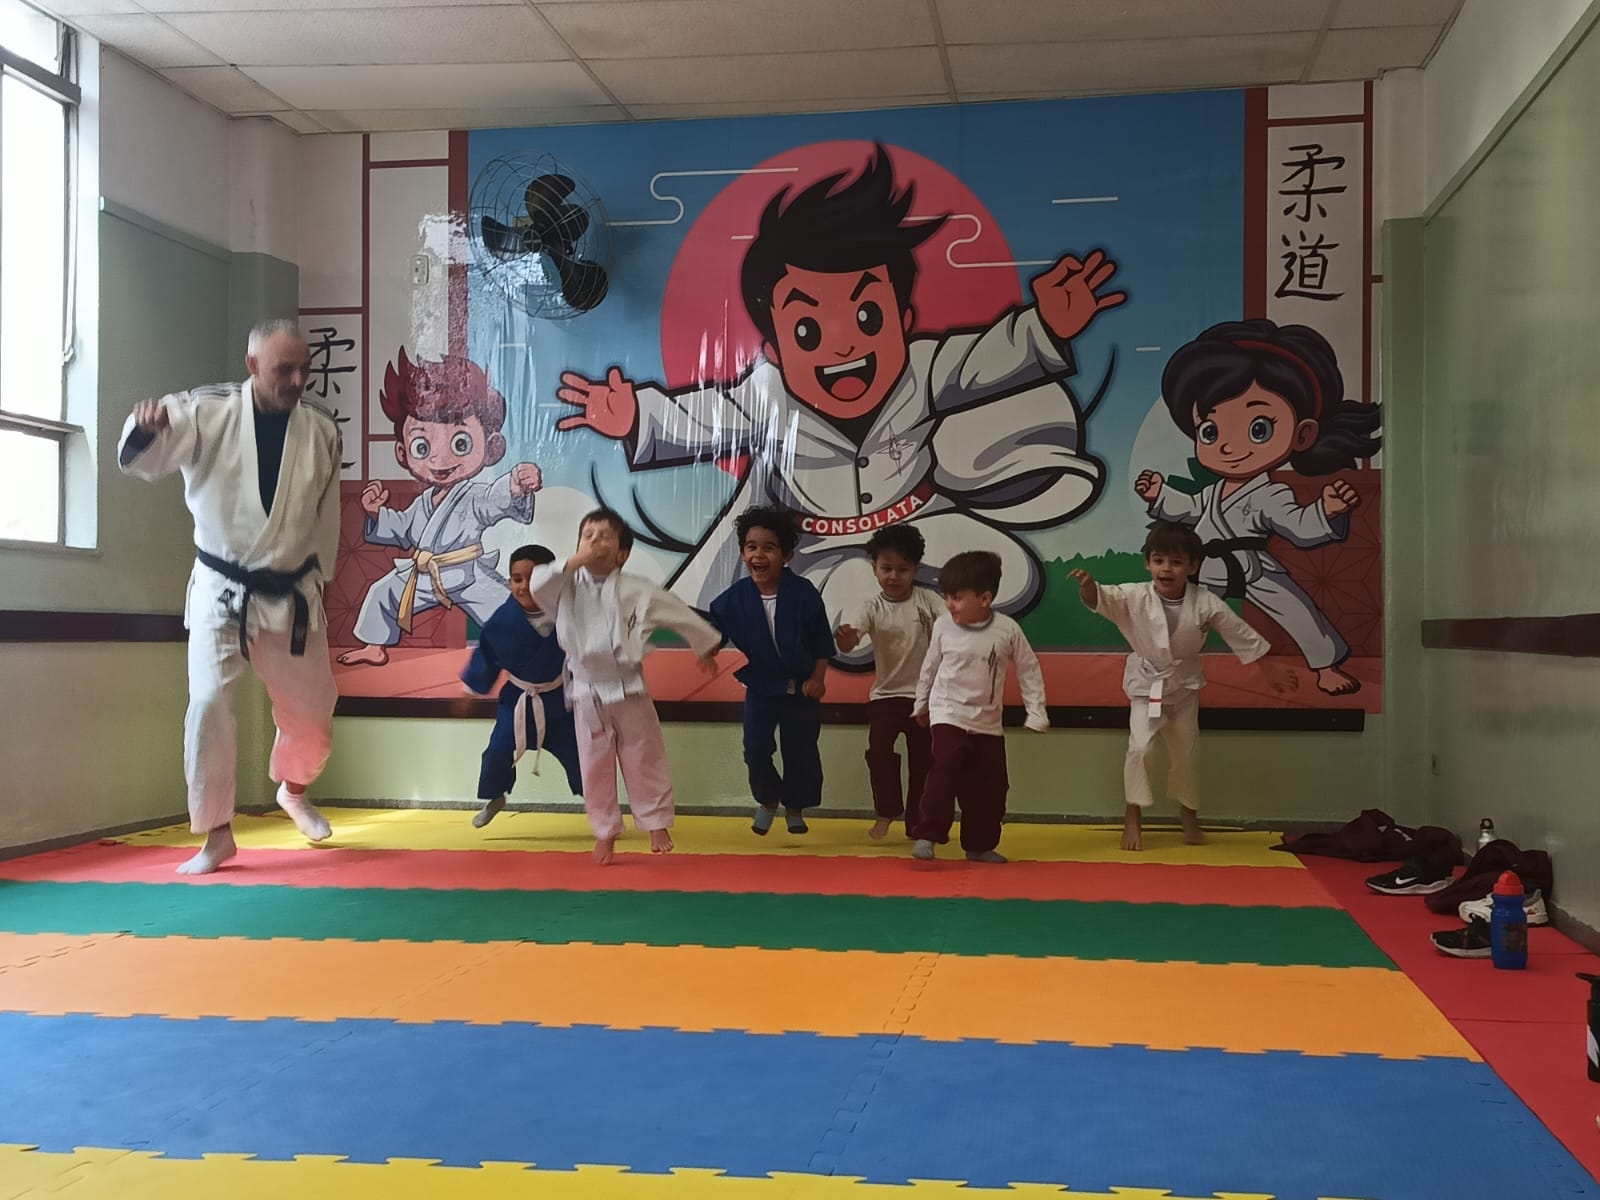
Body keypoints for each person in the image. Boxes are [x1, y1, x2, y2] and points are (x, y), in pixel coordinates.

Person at [553, 143, 1119, 646]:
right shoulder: (768, 394)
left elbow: (985, 360)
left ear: (905, 320)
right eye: (807, 330)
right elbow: (706, 418)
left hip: (917, 526)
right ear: (774, 347)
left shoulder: (924, 367)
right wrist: (638, 416)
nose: (844, 344)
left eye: (868, 316)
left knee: (1011, 574)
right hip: (818, 546)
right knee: (849, 599)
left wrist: (1044, 326)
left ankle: (918, 618)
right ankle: (886, 617)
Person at [117, 319, 341, 874]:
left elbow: (326, 516)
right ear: (252, 365)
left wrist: (324, 580)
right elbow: (146, 457)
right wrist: (144, 430)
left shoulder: (320, 428)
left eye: (304, 369)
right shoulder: (206, 410)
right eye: (284, 369)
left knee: (313, 721)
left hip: (292, 592)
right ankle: (217, 834)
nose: (297, 380)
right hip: (221, 590)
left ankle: (293, 790)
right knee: (209, 704)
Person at [1136, 318, 1381, 695]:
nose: (1228, 446)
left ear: (1303, 434)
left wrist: (1326, 510)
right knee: (1185, 619)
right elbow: (1191, 508)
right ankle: (1167, 663)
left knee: (1298, 612)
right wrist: (1160, 494)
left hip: (1254, 567)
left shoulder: (1269, 494)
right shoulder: (1214, 492)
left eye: (1258, 429)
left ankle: (1326, 667)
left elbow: (1298, 524)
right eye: (1210, 432)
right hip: (1208, 567)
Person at [1073, 521, 1296, 852]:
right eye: (1159, 560)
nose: (1166, 569)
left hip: (1184, 687)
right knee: (1140, 749)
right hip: (1146, 686)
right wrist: (1088, 587)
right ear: (1148, 563)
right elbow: (1102, 599)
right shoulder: (1134, 596)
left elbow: (1238, 632)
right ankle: (1133, 815)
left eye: (1176, 562)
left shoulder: (1205, 602)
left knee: (1186, 754)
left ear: (1192, 567)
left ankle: (1189, 815)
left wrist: (1269, 669)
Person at [527, 509, 723, 864]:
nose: (595, 541)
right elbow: (537, 584)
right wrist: (575, 561)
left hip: (629, 687)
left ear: (622, 554)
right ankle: (605, 831)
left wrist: (704, 643)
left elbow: (676, 611)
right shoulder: (564, 585)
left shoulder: (637, 589)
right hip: (587, 690)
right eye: (588, 535)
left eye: (604, 536)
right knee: (594, 764)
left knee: (644, 755)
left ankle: (656, 822)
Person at [338, 349, 541, 667]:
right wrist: (376, 513)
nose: (440, 459)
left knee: (504, 607)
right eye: (422, 446)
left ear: (490, 447)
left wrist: (516, 485)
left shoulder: (473, 496)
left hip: (466, 574)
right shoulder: (424, 502)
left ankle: (527, 651)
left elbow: (494, 499)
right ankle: (374, 646)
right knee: (382, 592)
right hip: (423, 574)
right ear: (403, 452)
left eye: (460, 443)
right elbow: (404, 528)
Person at [707, 505, 836, 836]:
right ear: (742, 553)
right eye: (751, 547)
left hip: (802, 688)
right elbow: (716, 627)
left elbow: (822, 641)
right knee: (755, 748)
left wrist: (818, 678)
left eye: (769, 548)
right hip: (762, 687)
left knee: (801, 750)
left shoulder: (803, 593)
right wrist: (709, 645)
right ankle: (768, 800)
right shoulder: (737, 597)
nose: (759, 555)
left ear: (787, 555)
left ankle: (795, 806)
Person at [911, 550, 1047, 863]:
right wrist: (921, 703)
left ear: (985, 599)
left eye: (957, 598)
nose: (949, 604)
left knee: (992, 786)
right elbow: (930, 667)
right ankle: (928, 834)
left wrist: (1036, 711)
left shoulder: (1007, 630)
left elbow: (1028, 669)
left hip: (988, 722)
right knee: (945, 768)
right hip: (948, 713)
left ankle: (979, 844)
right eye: (947, 597)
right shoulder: (943, 627)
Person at [460, 544, 583, 828]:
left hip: (561, 700)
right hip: (518, 701)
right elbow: (486, 657)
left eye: (534, 579)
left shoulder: (569, 613)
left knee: (583, 755)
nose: (524, 587)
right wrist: (469, 692)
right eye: (517, 579)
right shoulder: (502, 622)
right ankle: (495, 796)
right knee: (497, 752)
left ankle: (601, 808)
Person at [835, 523, 943, 839]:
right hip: (886, 696)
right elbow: (849, 642)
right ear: (874, 568)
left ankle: (917, 822)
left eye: (902, 570)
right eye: (886, 569)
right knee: (879, 752)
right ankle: (887, 810)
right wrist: (846, 638)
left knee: (924, 762)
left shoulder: (930, 601)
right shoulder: (872, 607)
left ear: (915, 569)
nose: (893, 576)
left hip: (925, 698)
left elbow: (952, 629)